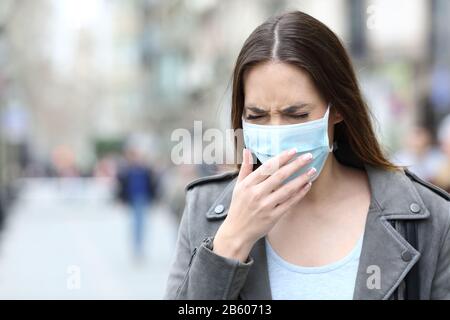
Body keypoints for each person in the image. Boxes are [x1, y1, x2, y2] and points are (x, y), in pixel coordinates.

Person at [164, 11, 450, 300]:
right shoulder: (206, 210)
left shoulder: (429, 219)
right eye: (257, 115)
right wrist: (232, 241)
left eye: (296, 114)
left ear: (337, 109)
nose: (276, 132)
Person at [117, 147, 157, 260]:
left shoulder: (146, 170)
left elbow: (152, 185)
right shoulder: (127, 171)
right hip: (133, 200)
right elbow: (122, 186)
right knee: (135, 225)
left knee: (142, 224)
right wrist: (122, 199)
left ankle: (140, 247)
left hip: (143, 199)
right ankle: (136, 248)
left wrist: (153, 198)